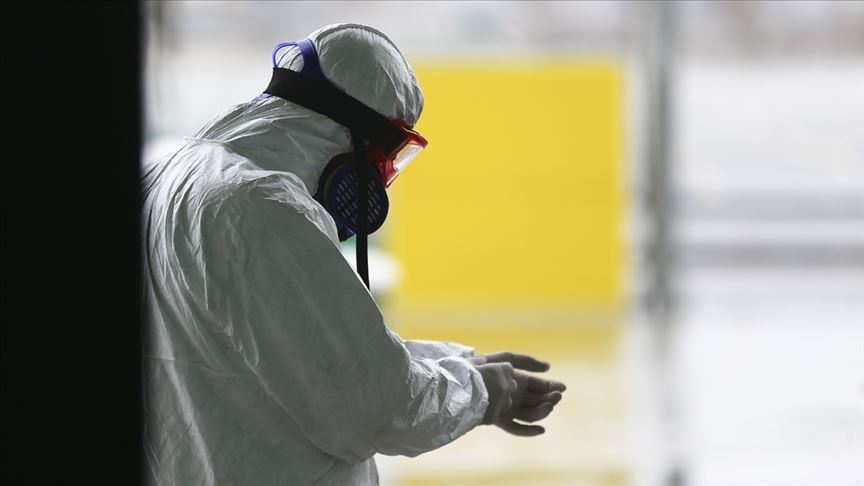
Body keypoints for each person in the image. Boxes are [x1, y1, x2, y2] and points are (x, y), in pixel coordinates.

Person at [142, 23, 566, 485]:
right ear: (355, 137)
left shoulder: (170, 177)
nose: (381, 180)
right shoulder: (265, 210)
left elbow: (293, 352)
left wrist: (462, 365)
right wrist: (485, 393)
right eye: (388, 158)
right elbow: (377, 409)